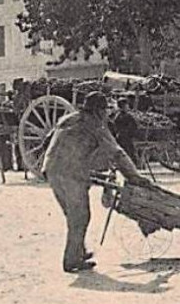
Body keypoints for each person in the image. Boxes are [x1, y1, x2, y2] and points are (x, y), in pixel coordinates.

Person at [40, 90, 149, 273]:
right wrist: (134, 177)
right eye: (105, 110)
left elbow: (46, 141)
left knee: (73, 214)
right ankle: (71, 260)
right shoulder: (95, 125)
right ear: (99, 111)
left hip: (52, 170)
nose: (107, 114)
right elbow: (117, 153)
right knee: (81, 216)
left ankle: (79, 251)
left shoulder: (68, 119)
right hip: (71, 173)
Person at [110, 97, 140, 164]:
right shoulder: (126, 116)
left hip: (121, 136)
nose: (128, 107)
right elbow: (134, 126)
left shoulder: (117, 116)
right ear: (123, 106)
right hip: (125, 137)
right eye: (126, 105)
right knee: (128, 151)